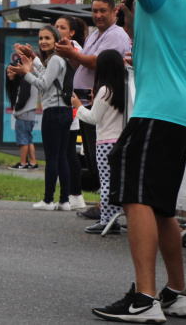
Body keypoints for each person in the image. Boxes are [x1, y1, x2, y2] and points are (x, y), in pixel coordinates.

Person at [58, 0, 186, 322]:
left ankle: (145, 298)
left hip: (160, 110)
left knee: (135, 191)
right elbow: (155, 48)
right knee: (160, 205)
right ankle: (176, 293)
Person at [10, 25, 72, 210]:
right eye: (40, 38)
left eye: (48, 38)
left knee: (53, 158)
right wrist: (32, 67)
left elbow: (43, 84)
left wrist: (26, 73)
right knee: (61, 157)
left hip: (54, 112)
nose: (43, 42)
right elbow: (46, 78)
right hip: (64, 111)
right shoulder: (58, 60)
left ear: (56, 40)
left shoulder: (55, 59)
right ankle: (64, 201)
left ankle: (48, 200)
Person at [72, 50, 126, 234]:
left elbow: (94, 118)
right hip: (120, 140)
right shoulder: (123, 87)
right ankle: (114, 220)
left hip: (105, 142)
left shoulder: (104, 90)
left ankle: (106, 221)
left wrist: (79, 106)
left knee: (106, 183)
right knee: (116, 183)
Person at [54, 14, 90, 210]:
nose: (57, 29)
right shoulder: (60, 50)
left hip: (71, 108)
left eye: (62, 27)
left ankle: (75, 194)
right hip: (62, 106)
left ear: (72, 32)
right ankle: (71, 193)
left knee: (68, 153)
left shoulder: (74, 50)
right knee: (65, 152)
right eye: (56, 26)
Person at [5, 60, 39, 170]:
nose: (10, 73)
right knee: (29, 139)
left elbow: (23, 97)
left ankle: (23, 163)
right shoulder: (31, 78)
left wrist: (16, 111)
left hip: (24, 114)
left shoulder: (26, 79)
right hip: (30, 113)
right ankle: (33, 162)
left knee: (23, 139)